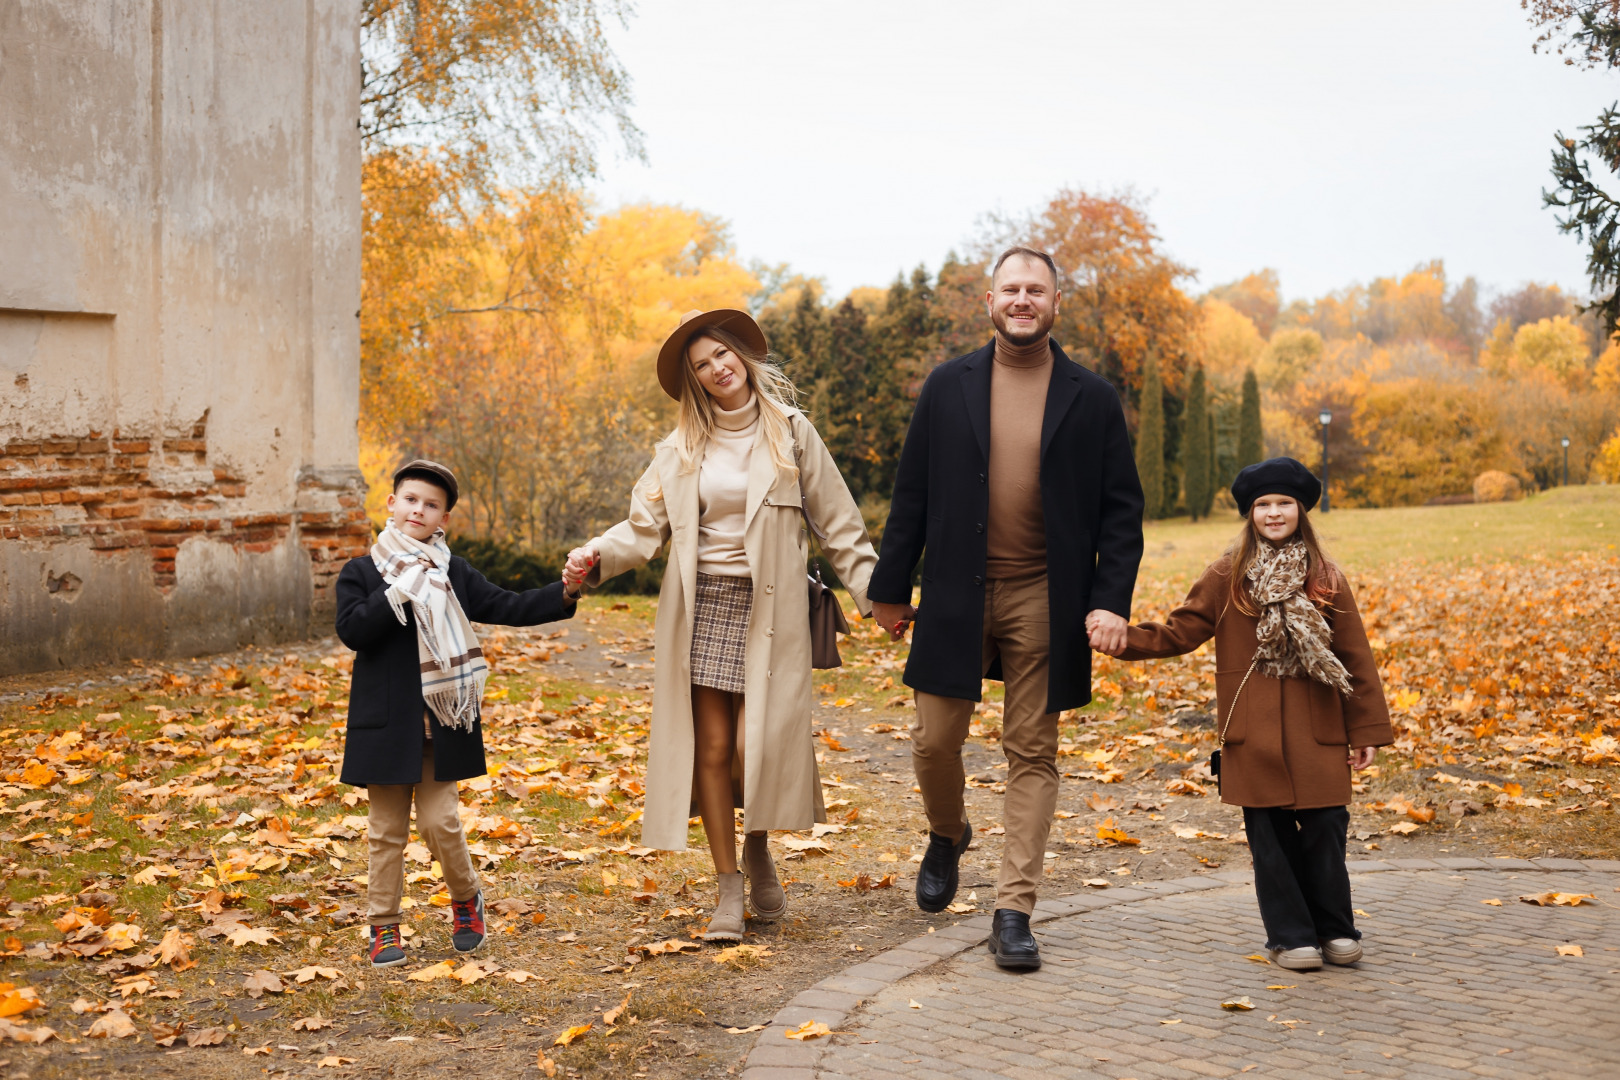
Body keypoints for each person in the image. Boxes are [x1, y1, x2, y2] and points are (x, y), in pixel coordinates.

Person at [868, 247, 1145, 971]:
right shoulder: (947, 386)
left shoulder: (1092, 397)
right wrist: (890, 589)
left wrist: (1109, 601)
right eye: (1011, 289)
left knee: (1033, 752)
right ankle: (947, 830)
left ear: (1058, 302)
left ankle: (1013, 908)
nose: (1023, 300)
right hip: (957, 591)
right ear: (990, 300)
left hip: (1045, 596)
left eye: (1037, 290)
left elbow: (1122, 512)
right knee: (934, 740)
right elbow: (913, 496)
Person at [564, 309, 877, 942]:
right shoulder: (679, 450)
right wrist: (595, 555)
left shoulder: (792, 434)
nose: (717, 368)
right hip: (702, 606)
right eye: (702, 365)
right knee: (710, 749)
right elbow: (641, 528)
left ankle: (757, 844)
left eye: (722, 354)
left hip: (772, 609)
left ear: (742, 355)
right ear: (695, 380)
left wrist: (879, 597)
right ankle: (728, 886)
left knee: (749, 746)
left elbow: (838, 524)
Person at [1104, 457, 1393, 971]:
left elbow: (1355, 656)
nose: (1275, 513)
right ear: (1250, 514)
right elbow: (1180, 631)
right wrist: (1123, 639)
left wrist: (1364, 729)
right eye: (1264, 505)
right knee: (1270, 838)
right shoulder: (1225, 575)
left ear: (1301, 511)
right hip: (1251, 732)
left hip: (1319, 729)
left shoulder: (1324, 576)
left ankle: (1336, 929)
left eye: (1285, 503)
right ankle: (1291, 936)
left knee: (1327, 827)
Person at [336, 460, 579, 968]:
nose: (418, 510)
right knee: (385, 832)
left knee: (440, 822)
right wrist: (397, 592)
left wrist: (566, 592)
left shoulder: (453, 574)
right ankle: (384, 926)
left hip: (439, 725)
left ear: (443, 516)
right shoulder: (362, 571)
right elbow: (353, 630)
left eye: (430, 504)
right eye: (410, 499)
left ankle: (466, 900)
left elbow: (508, 605)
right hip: (385, 727)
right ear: (392, 504)